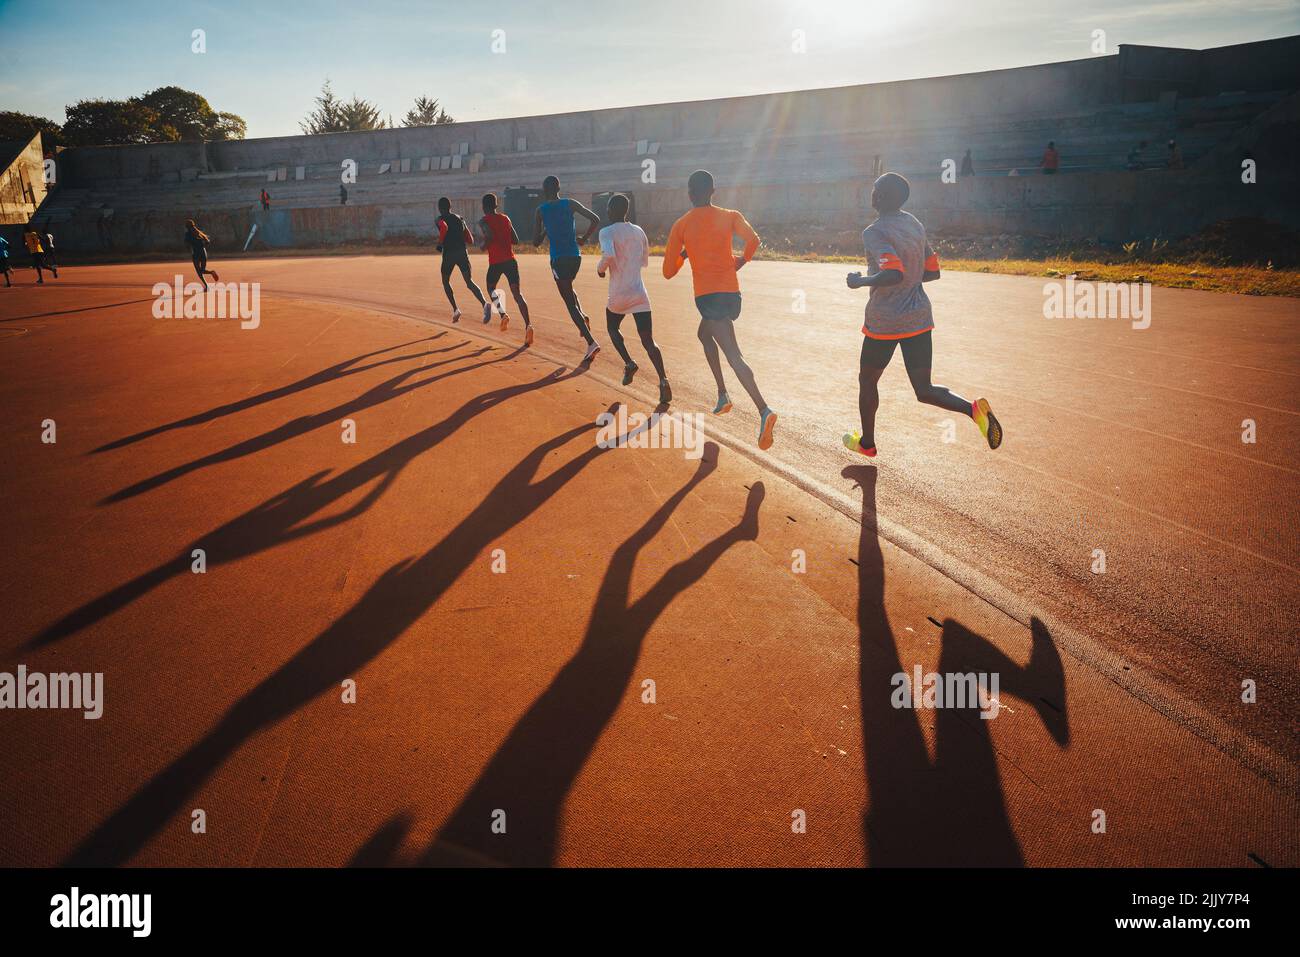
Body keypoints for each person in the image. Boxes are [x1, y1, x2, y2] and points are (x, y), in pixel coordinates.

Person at [842, 172, 1002, 458]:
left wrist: (860, 281)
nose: (872, 193)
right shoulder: (914, 224)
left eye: (875, 189)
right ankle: (973, 410)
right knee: (924, 389)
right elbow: (932, 272)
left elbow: (893, 273)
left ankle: (867, 443)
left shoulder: (874, 232)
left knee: (867, 381)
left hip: (885, 321)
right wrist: (909, 279)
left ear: (882, 196)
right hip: (918, 317)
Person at [663, 169, 777, 450]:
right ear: (713, 191)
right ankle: (723, 394)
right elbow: (753, 240)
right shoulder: (730, 216)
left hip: (708, 297)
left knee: (734, 355)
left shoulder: (681, 225)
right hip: (731, 295)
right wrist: (742, 261)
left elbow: (668, 272)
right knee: (704, 335)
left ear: (689, 194)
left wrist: (684, 254)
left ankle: (764, 410)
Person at [597, 193, 671, 406]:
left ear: (611, 210)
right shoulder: (638, 231)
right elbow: (644, 260)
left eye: (608, 208)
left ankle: (629, 362)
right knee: (648, 340)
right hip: (639, 293)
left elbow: (608, 255)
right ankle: (663, 380)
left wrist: (600, 269)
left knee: (612, 327)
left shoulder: (606, 232)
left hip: (618, 294)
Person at [533, 175, 601, 363]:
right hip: (575, 257)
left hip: (558, 259)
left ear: (544, 191)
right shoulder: (570, 203)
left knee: (569, 303)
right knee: (569, 289)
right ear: (559, 188)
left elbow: (535, 242)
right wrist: (584, 238)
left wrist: (546, 229)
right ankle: (583, 316)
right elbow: (595, 219)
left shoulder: (541, 211)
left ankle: (591, 342)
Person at [478, 192, 533, 345]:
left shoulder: (483, 221)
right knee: (517, 294)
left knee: (490, 288)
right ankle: (528, 325)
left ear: (483, 207)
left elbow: (489, 235)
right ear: (496, 205)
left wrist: (483, 245)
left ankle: (503, 315)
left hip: (496, 262)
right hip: (510, 261)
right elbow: (515, 240)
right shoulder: (506, 218)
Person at [435, 196, 490, 323]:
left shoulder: (439, 219)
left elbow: (444, 227)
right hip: (462, 253)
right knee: (469, 282)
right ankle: (484, 303)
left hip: (449, 254)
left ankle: (456, 310)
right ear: (450, 207)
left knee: (445, 281)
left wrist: (440, 243)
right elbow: (470, 239)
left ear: (439, 208)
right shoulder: (460, 218)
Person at [184, 219, 219, 290]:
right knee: (202, 270)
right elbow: (207, 242)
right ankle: (212, 272)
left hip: (195, 253)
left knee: (199, 272)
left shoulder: (187, 234)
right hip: (203, 252)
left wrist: (190, 248)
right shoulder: (198, 232)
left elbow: (186, 244)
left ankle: (207, 285)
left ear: (187, 227)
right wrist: (202, 245)